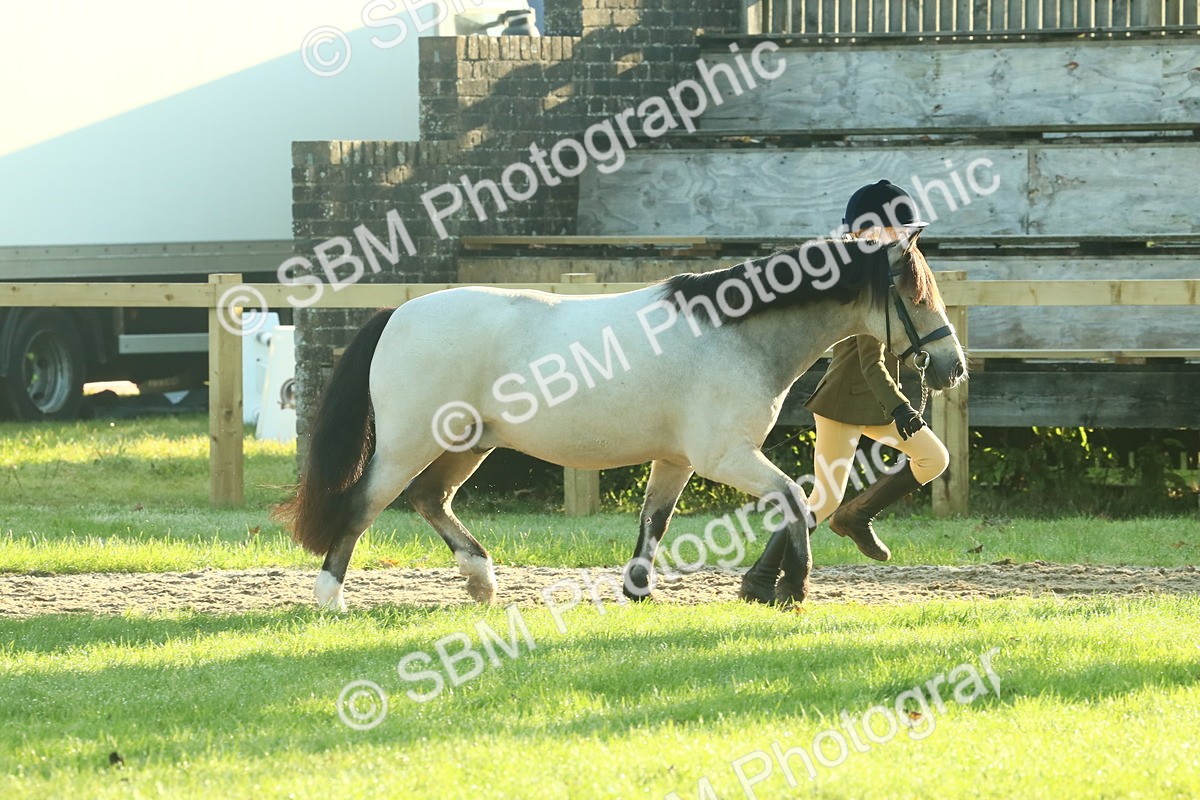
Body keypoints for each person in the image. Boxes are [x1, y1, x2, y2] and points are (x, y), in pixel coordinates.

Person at [739, 180, 951, 604]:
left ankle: (855, 515)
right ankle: (764, 575)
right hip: (844, 402)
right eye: (888, 233)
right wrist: (902, 408)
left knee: (930, 459)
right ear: (864, 237)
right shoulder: (867, 284)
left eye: (901, 233)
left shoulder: (892, 274)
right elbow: (870, 364)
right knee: (825, 498)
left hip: (874, 401)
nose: (899, 240)